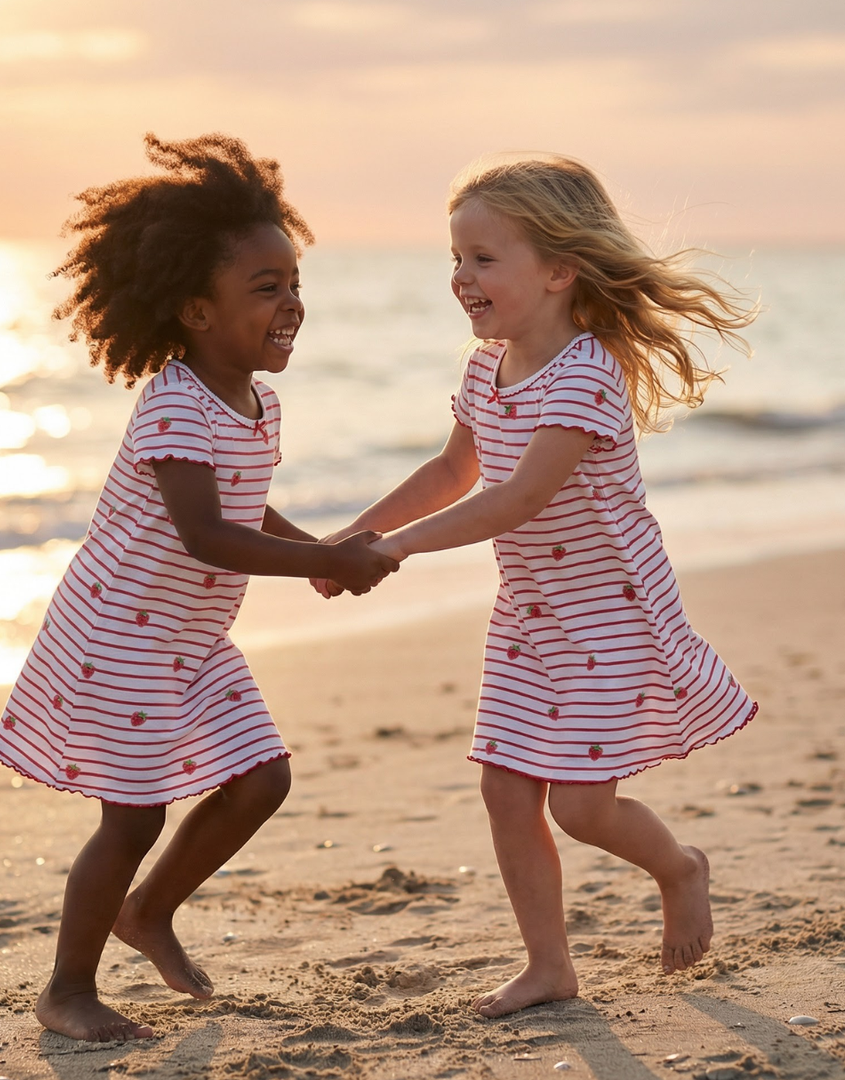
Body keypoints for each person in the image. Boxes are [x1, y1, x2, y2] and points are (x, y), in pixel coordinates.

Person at [314, 154, 758, 1017]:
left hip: (608, 615)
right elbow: (454, 469)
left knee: (584, 807)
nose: (461, 278)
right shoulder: (487, 369)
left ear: (559, 270)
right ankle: (549, 965)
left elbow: (516, 499)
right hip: (529, 615)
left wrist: (396, 552)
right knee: (504, 787)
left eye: (484, 258)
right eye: (456, 257)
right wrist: (351, 539)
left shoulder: (588, 373)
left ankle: (679, 866)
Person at [0, 132, 398, 1042]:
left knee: (260, 779)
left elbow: (248, 504)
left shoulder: (257, 399)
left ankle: (148, 914)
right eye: (266, 289)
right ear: (193, 310)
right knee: (131, 816)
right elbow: (206, 535)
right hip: (121, 634)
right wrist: (327, 563)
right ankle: (67, 990)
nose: (291, 305)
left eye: (295, 286)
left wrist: (319, 546)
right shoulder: (174, 401)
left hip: (189, 637)